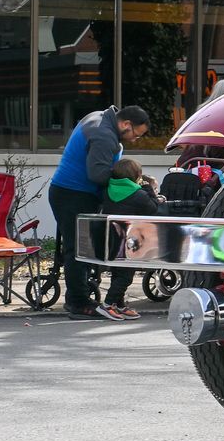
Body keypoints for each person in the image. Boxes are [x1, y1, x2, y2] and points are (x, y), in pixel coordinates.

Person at [47, 104, 150, 318]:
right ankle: (78, 303)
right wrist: (129, 184)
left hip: (72, 192)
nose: (134, 140)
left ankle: (87, 297)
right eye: (135, 135)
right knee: (78, 250)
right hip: (73, 194)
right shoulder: (103, 135)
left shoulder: (99, 118)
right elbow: (98, 174)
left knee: (84, 248)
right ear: (125, 124)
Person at [95, 159, 163, 321]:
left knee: (118, 272)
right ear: (137, 176)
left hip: (111, 239)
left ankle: (119, 305)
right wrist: (149, 189)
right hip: (130, 241)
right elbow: (153, 208)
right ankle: (108, 304)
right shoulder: (138, 194)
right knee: (126, 276)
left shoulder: (107, 190)